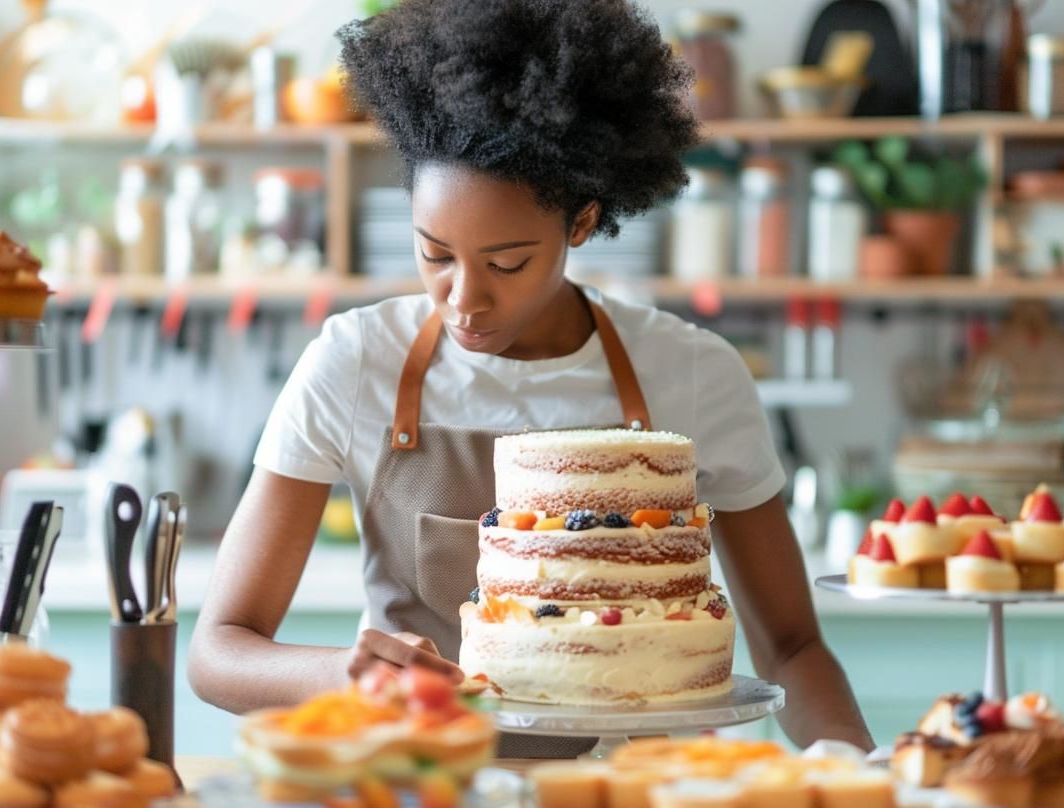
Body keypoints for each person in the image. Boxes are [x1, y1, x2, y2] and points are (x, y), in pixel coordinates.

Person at [188, 0, 872, 754]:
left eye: (507, 263)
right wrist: (344, 676)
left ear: (580, 224)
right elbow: (219, 650)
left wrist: (852, 766)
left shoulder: (694, 373)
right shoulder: (354, 362)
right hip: (423, 788)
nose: (464, 299)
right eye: (434, 254)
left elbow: (793, 647)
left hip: (633, 797)